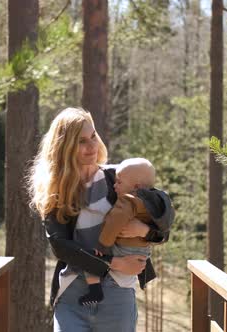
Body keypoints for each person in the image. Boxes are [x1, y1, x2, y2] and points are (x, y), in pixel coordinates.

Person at [27, 107, 174, 332]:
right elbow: (61, 247)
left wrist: (143, 230)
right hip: (72, 296)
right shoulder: (58, 191)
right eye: (82, 141)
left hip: (117, 294)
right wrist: (113, 263)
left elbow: (162, 225)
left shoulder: (118, 178)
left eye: (93, 136)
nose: (92, 146)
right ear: (65, 148)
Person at [79, 157, 170, 306]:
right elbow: (164, 227)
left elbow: (114, 222)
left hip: (125, 248)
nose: (115, 185)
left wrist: (102, 244)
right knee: (125, 276)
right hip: (143, 251)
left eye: (119, 182)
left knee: (90, 259)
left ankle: (94, 289)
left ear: (136, 186)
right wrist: (146, 231)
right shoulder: (156, 201)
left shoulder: (128, 200)